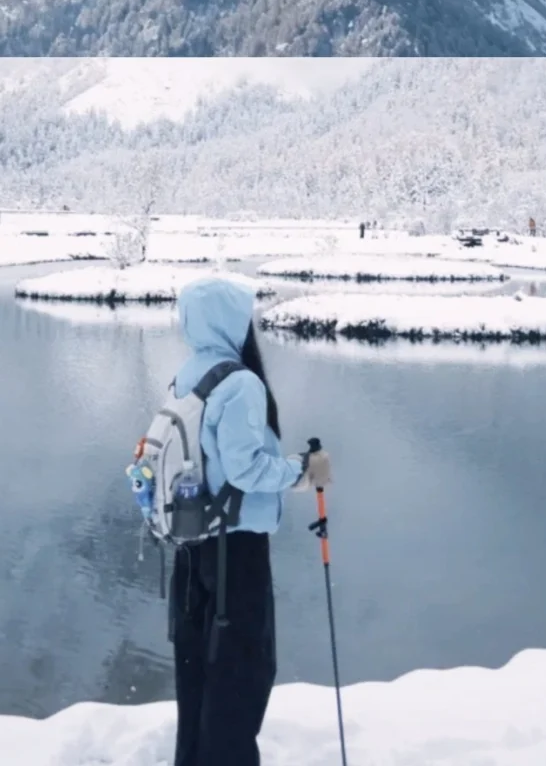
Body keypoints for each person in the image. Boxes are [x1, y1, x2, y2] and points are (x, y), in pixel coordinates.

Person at [170, 277, 331, 766]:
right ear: (232, 321)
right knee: (243, 668)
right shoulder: (240, 382)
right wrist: (302, 470)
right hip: (234, 548)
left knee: (199, 664)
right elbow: (245, 468)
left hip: (193, 541)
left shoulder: (188, 373)